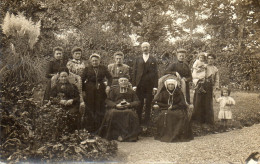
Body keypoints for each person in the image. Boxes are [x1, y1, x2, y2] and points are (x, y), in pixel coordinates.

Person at [98, 77, 140, 142]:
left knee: (131, 114)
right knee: (112, 113)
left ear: (128, 82)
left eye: (125, 80)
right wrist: (116, 105)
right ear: (119, 83)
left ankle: (127, 136)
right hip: (115, 108)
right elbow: (108, 100)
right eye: (121, 81)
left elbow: (137, 101)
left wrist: (129, 104)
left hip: (127, 108)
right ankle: (114, 135)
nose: (123, 82)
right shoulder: (114, 90)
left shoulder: (131, 91)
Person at [82, 53, 112, 133]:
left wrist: (108, 86)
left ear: (99, 61)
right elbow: (82, 80)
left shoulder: (103, 68)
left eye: (96, 60)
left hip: (101, 89)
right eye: (93, 61)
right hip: (89, 89)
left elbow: (110, 77)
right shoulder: (87, 69)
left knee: (100, 107)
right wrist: (83, 91)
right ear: (91, 61)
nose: (95, 62)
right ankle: (90, 129)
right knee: (90, 108)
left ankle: (100, 130)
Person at [132, 42, 158, 127]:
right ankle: (138, 121)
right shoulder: (138, 59)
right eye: (143, 47)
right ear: (141, 48)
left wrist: (155, 86)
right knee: (140, 103)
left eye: (147, 47)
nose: (145, 49)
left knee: (148, 103)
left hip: (150, 85)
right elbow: (134, 72)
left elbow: (155, 73)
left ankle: (147, 121)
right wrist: (134, 85)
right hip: (140, 85)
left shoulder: (153, 59)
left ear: (149, 48)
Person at [50, 67, 80, 133]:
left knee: (72, 113)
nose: (64, 78)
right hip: (59, 105)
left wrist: (72, 100)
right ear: (59, 77)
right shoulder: (55, 87)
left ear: (68, 76)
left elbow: (78, 97)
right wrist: (59, 101)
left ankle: (72, 133)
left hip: (71, 106)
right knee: (59, 113)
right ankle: (60, 132)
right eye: (62, 76)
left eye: (65, 76)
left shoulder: (73, 86)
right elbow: (51, 98)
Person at [192, 53, 220, 125]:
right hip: (200, 84)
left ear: (214, 60)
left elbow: (217, 80)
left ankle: (208, 121)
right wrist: (196, 82)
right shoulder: (203, 65)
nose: (210, 60)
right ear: (206, 59)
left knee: (208, 103)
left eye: (212, 59)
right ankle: (197, 121)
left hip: (209, 86)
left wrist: (215, 89)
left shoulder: (215, 69)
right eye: (209, 58)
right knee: (198, 102)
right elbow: (195, 73)